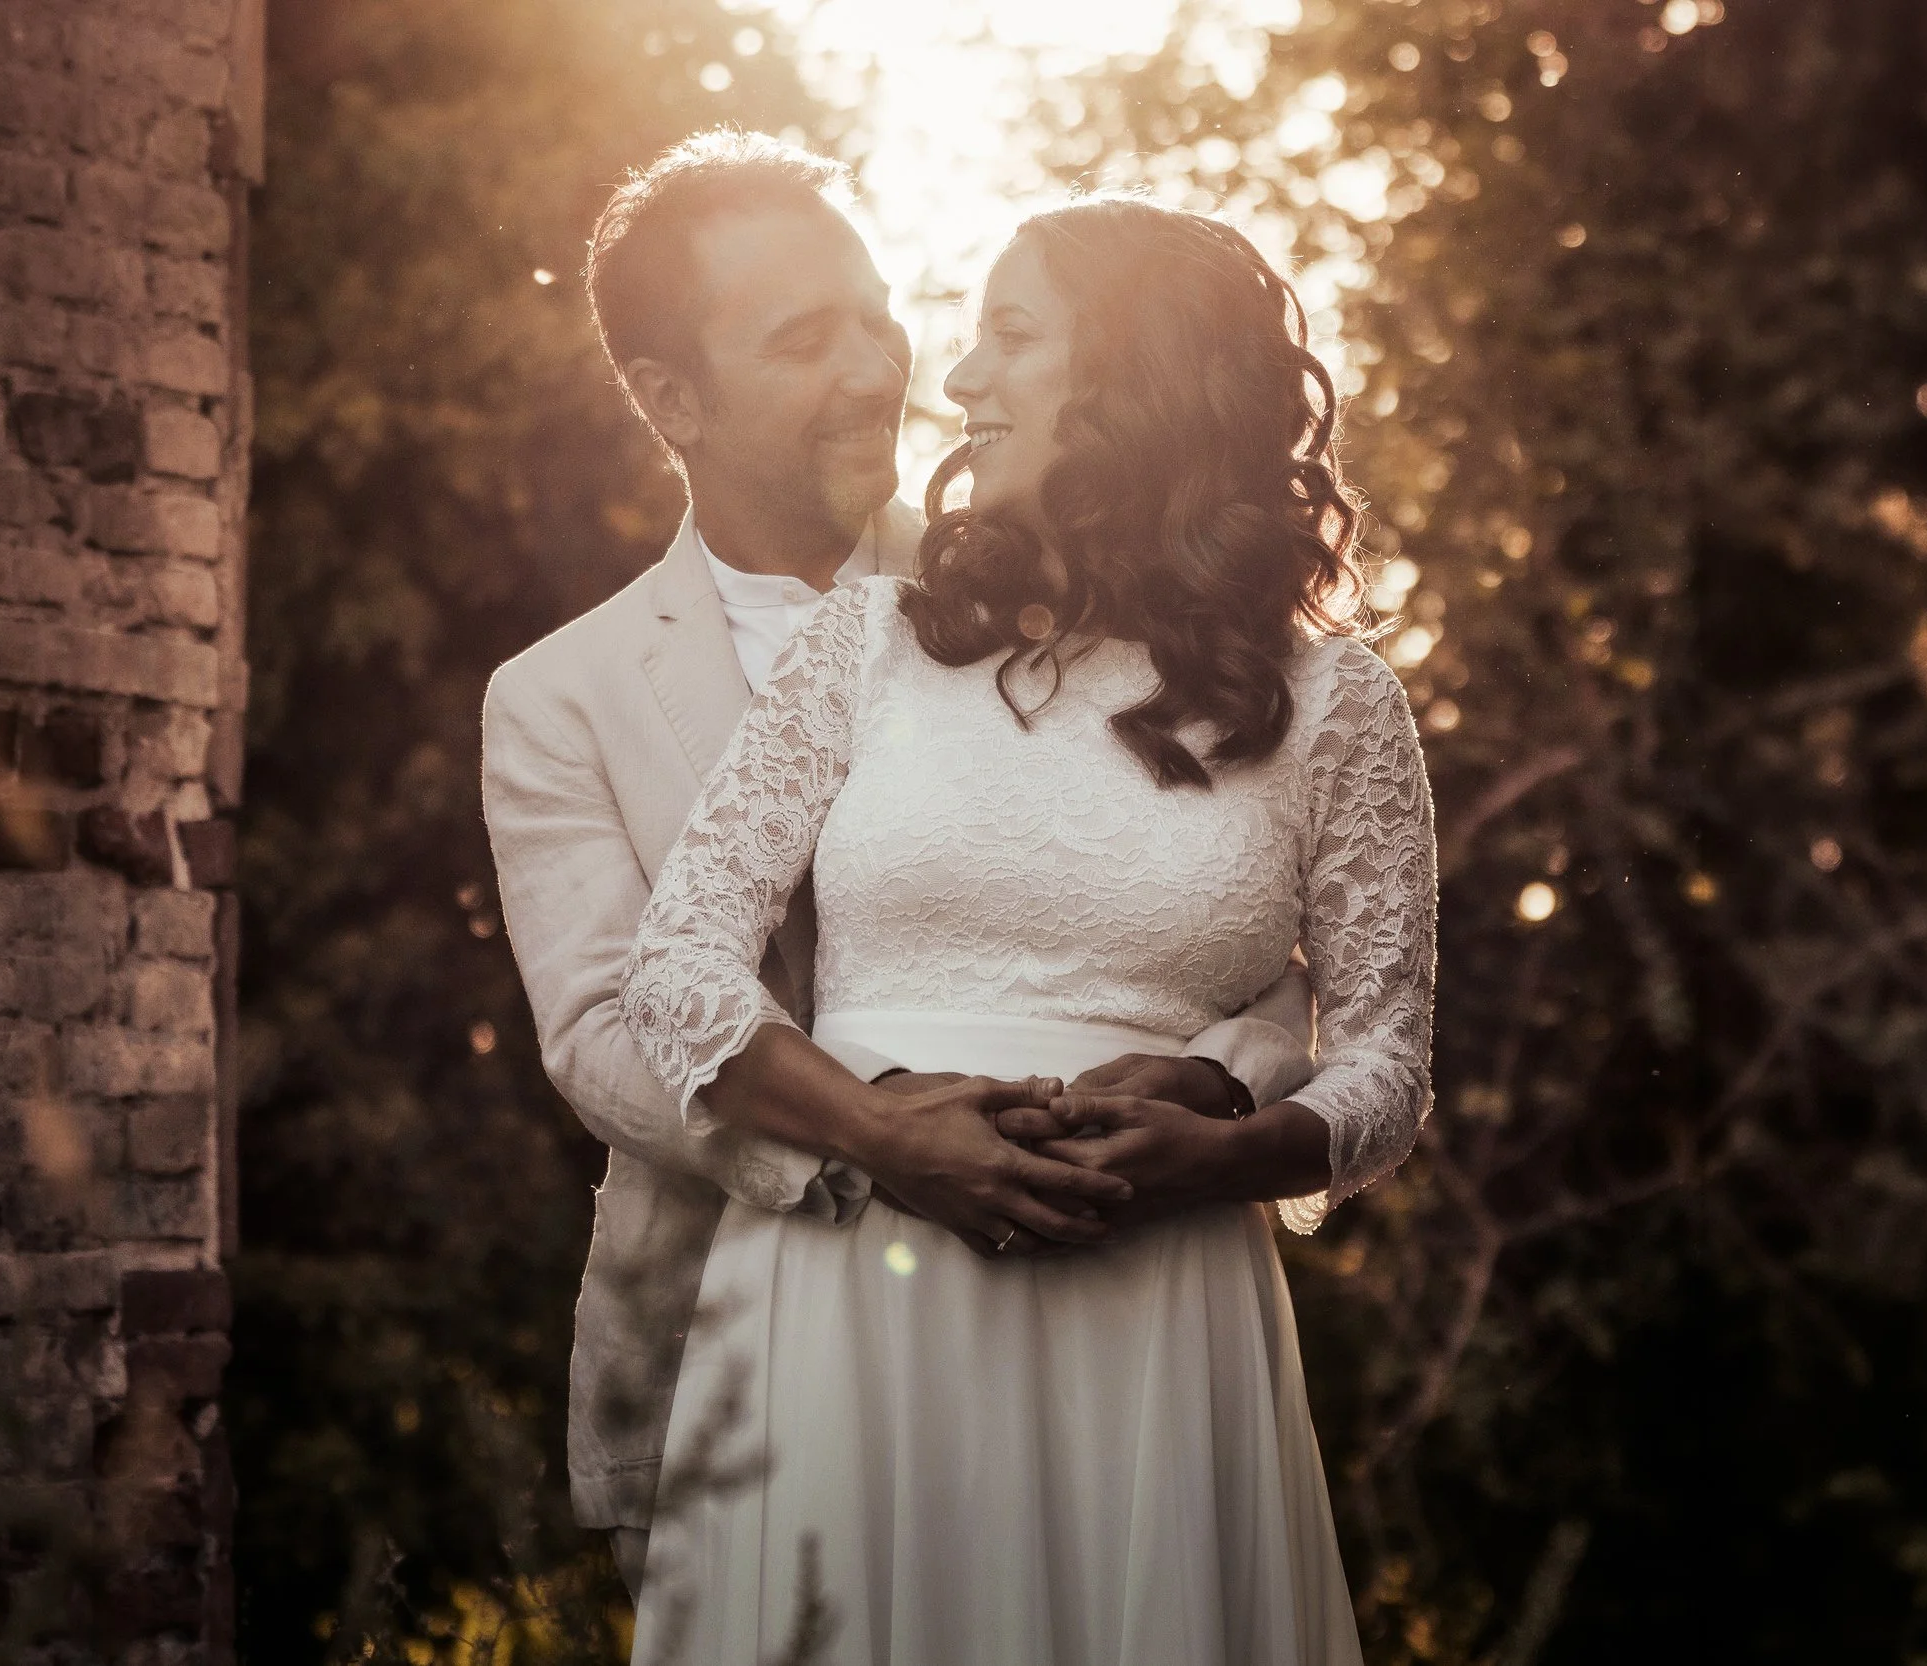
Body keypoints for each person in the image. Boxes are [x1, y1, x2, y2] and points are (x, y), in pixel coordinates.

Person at [481, 133, 1318, 1598]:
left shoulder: (1063, 591)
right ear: (672, 397)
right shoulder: (559, 697)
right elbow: (603, 1030)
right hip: (728, 1361)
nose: (879, 371)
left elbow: (1249, 921)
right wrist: (870, 1138)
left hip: (1098, 1307)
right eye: (806, 339)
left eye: (877, 316)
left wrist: (1212, 1087)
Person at [616, 194, 1437, 1663]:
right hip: (852, 1298)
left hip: (1158, 1313)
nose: (960, 379)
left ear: (1140, 378)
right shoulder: (864, 648)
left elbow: (1386, 1067)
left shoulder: (1333, 704)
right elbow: (677, 969)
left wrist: (1224, 1151)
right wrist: (883, 1131)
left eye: (1010, 335)